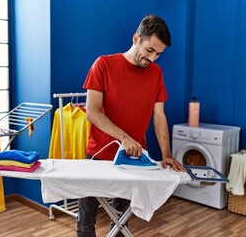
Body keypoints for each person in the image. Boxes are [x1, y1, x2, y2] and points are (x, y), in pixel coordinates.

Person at [77, 14, 186, 237]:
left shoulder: (156, 73)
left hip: (134, 161)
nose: (153, 58)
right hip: (99, 155)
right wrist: (124, 138)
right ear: (136, 38)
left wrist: (166, 154)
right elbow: (93, 112)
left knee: (121, 221)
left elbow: (159, 116)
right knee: (86, 219)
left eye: (158, 54)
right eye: (149, 50)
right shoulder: (104, 65)